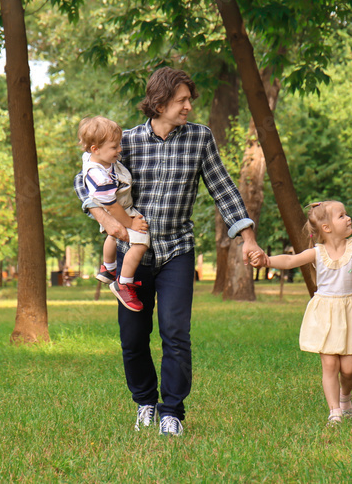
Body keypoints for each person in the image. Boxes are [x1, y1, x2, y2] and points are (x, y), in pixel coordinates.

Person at [75, 67, 268, 437]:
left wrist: (247, 237)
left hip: (177, 249)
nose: (188, 107)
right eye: (181, 100)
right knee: (132, 337)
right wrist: (105, 217)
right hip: (134, 252)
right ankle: (145, 403)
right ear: (159, 103)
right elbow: (84, 177)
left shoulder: (199, 139)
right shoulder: (125, 141)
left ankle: (172, 412)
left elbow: (223, 188)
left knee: (176, 332)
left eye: (189, 100)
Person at [249, 201, 352, 424]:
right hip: (325, 314)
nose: (348, 218)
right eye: (341, 216)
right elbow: (290, 260)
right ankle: (334, 411)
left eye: (346, 215)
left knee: (348, 369)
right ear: (326, 228)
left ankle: (345, 397)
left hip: (350, 312)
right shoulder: (317, 253)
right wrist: (267, 261)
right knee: (329, 365)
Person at [78, 115, 151, 311]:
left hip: (114, 208)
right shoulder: (98, 176)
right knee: (141, 241)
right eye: (114, 147)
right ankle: (124, 282)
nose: (119, 150)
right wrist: (130, 222)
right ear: (96, 149)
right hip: (118, 210)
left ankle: (108, 268)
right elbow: (112, 207)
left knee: (112, 236)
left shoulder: (96, 158)